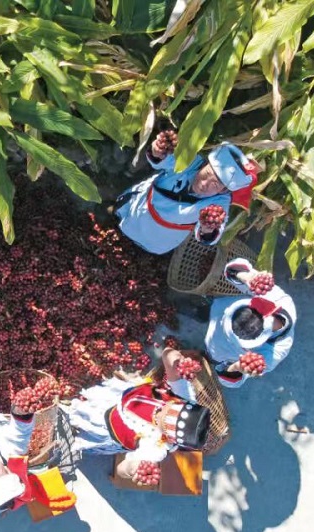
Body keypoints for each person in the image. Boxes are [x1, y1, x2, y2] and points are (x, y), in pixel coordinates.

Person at [63, 349, 211, 483]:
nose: (159, 413)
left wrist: (133, 468)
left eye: (162, 420)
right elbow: (168, 355)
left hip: (109, 428)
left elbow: (122, 469)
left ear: (169, 437)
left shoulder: (156, 447)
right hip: (123, 398)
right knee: (92, 392)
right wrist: (175, 359)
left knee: (78, 429)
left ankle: (74, 428)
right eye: (167, 408)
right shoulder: (184, 396)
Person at [111, 129, 258, 254]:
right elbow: (167, 159)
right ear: (205, 164)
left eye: (214, 185)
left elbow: (215, 231)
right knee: (118, 218)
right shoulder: (191, 162)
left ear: (224, 190)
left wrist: (207, 229)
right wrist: (158, 152)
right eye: (206, 174)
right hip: (136, 208)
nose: (204, 184)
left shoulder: (219, 203)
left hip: (158, 239)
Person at [204, 258, 296, 388]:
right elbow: (231, 269)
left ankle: (208, 356)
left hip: (217, 351)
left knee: (210, 356)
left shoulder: (272, 355)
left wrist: (236, 367)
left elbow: (230, 382)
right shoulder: (275, 297)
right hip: (216, 307)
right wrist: (247, 276)